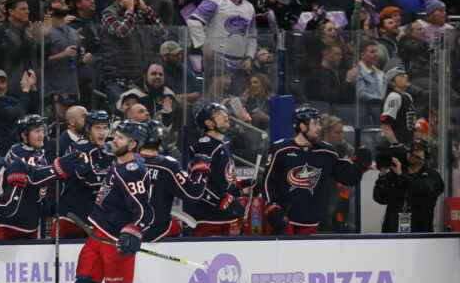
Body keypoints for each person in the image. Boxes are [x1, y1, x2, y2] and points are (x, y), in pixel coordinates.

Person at [58, 120, 154, 283]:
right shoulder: (117, 163)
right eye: (115, 135)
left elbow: (144, 210)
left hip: (114, 243)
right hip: (96, 237)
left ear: (133, 145)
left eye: (121, 138)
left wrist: (133, 231)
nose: (114, 140)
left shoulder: (132, 170)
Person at [263, 106, 372, 235]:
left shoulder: (326, 152)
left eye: (319, 124)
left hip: (312, 224)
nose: (319, 128)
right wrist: (272, 205)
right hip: (284, 224)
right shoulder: (280, 150)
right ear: (302, 126)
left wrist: (360, 166)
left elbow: (347, 177)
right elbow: (268, 181)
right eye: (315, 124)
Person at [182, 103, 250, 236]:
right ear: (209, 123)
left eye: (224, 112)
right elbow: (196, 183)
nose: (225, 115)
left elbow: (221, 179)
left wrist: (240, 184)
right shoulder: (205, 145)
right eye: (218, 114)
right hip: (208, 219)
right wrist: (219, 200)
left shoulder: (222, 145)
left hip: (224, 216)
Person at [100, 0, 165, 107]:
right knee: (129, 113)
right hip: (118, 79)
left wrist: (146, 10)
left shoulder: (139, 13)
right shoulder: (108, 13)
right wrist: (130, 9)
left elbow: (162, 32)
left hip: (140, 79)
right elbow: (121, 32)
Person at [139, 123, 208, 242]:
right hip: (157, 231)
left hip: (127, 230)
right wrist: (200, 170)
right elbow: (193, 193)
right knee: (177, 227)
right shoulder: (167, 165)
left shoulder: (124, 161)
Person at [184, 0, 257, 77]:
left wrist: (249, 57)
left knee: (236, 94)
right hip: (216, 60)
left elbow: (252, 36)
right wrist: (203, 45)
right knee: (213, 92)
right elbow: (194, 21)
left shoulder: (250, 7)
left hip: (240, 62)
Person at [57, 110, 113, 238]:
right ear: (88, 129)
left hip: (93, 219)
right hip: (72, 219)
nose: (102, 132)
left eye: (105, 128)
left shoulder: (107, 150)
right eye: (97, 128)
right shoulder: (77, 149)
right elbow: (91, 180)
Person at [373, 139, 444, 233]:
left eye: (418, 150)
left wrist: (401, 176)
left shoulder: (432, 176)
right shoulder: (395, 172)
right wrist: (383, 174)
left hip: (420, 234)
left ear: (426, 155)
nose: (412, 152)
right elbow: (380, 198)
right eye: (411, 150)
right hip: (392, 233)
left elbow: (423, 191)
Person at [0, 68, 37, 155]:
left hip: (17, 148)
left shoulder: (11, 99)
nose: (0, 86)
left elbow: (32, 111)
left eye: (2, 82)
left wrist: (33, 88)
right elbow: (15, 114)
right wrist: (25, 91)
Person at [44, 0, 88, 98]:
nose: (63, 0)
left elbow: (76, 61)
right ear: (49, 11)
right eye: (57, 1)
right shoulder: (44, 32)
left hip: (73, 89)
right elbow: (39, 62)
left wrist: (82, 59)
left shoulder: (73, 32)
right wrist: (62, 55)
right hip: (53, 92)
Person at [380, 67, 417, 146]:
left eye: (405, 74)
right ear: (393, 83)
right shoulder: (394, 97)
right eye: (401, 75)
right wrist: (396, 145)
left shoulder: (408, 96)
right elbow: (385, 125)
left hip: (408, 143)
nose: (405, 77)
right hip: (398, 146)